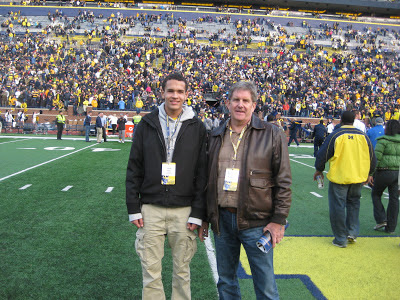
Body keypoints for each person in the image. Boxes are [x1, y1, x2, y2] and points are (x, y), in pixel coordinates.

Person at [200, 81, 292, 299]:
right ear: (228, 104)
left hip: (257, 223)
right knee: (226, 282)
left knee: (265, 285)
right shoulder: (215, 135)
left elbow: (284, 181)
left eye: (245, 101)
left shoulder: (272, 134)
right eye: (236, 100)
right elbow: (207, 180)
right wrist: (205, 215)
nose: (240, 105)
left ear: (254, 105)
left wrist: (278, 220)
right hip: (222, 220)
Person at [126, 73, 207, 299]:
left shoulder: (197, 127)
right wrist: (134, 208)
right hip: (151, 207)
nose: (175, 96)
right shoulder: (147, 124)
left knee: (182, 272)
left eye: (180, 92)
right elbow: (134, 168)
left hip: (184, 210)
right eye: (170, 91)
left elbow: (202, 173)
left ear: (187, 95)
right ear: (162, 93)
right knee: (150, 272)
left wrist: (198, 213)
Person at [314, 111, 376, 248]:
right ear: (354, 120)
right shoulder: (363, 136)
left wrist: (319, 169)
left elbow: (322, 154)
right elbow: (372, 156)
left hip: (340, 176)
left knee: (338, 206)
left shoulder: (336, 135)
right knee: (354, 204)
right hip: (358, 177)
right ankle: (352, 232)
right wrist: (370, 173)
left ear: (341, 120)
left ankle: (340, 238)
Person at [368, 120, 400, 233]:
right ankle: (391, 227)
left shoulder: (383, 141)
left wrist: (371, 174)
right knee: (394, 199)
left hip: (384, 172)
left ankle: (381, 219)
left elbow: (376, 159)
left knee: (376, 194)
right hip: (397, 173)